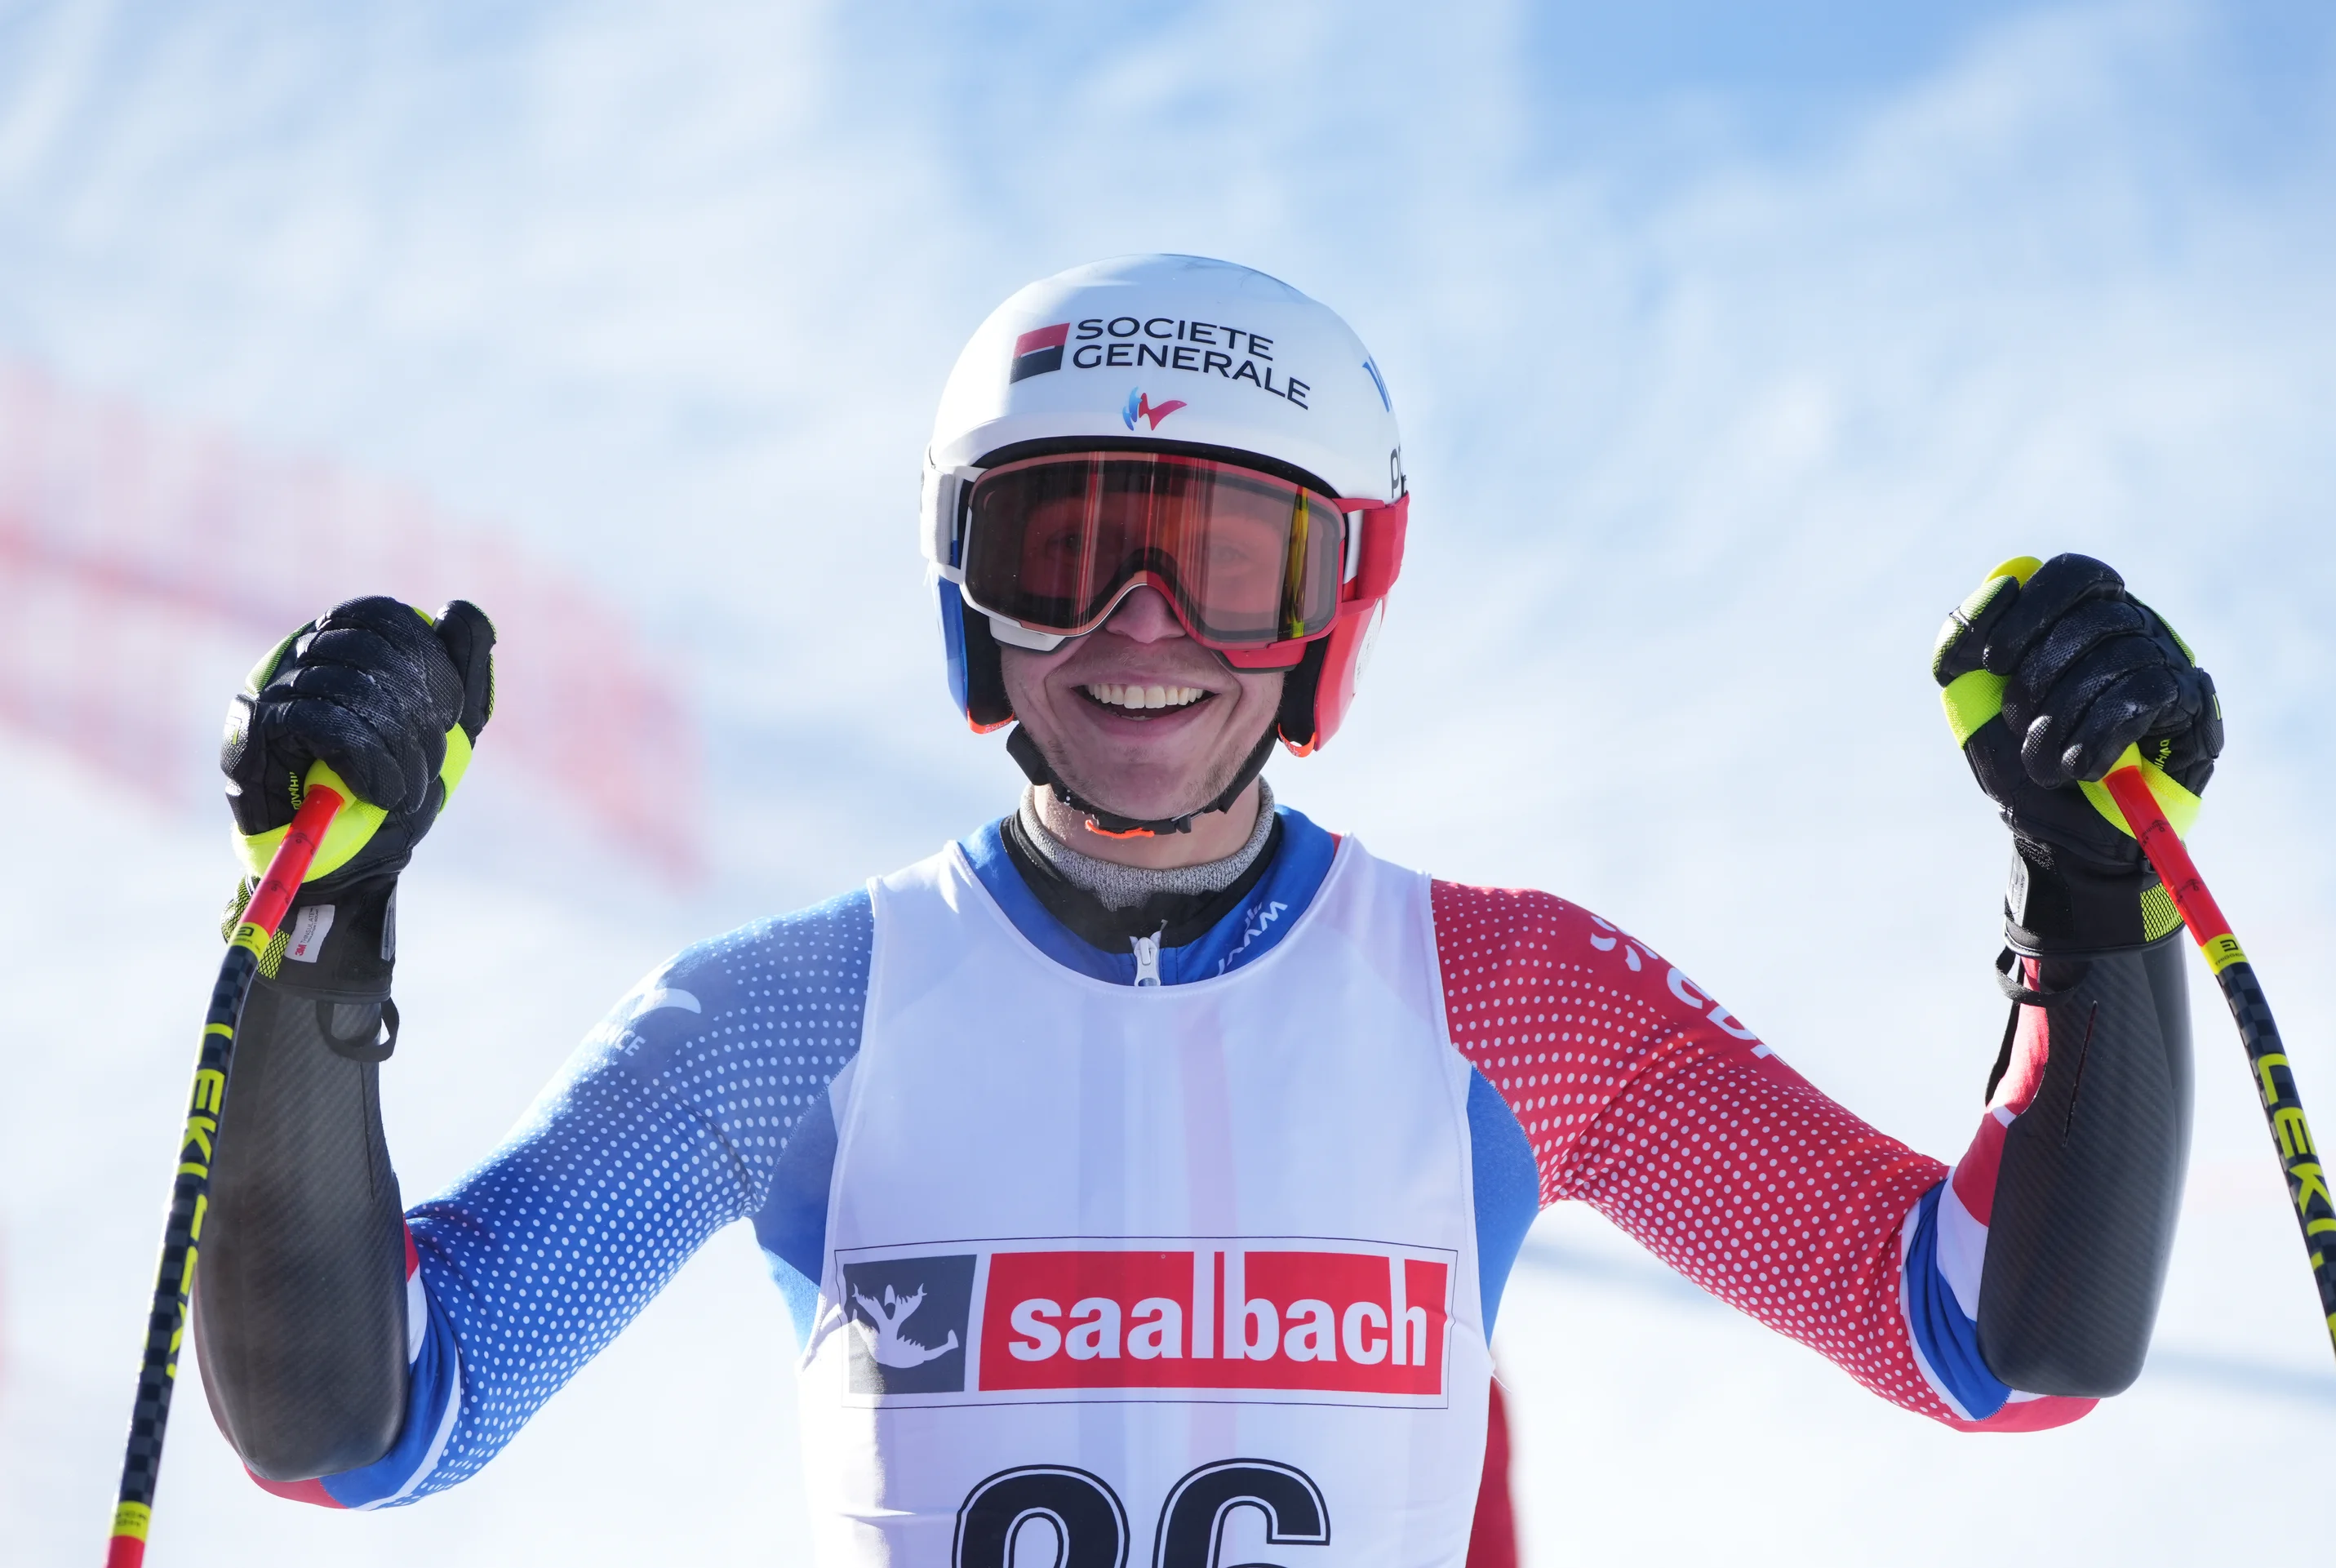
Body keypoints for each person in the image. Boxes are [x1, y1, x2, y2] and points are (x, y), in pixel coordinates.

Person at [195, 254, 2218, 1565]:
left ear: (1336, 604)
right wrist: (318, 939)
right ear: (965, 592)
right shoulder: (789, 1022)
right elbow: (360, 1422)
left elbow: (1994, 1340)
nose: (1139, 633)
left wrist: (2096, 901)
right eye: (1061, 548)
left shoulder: (1506, 998)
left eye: (1229, 562)